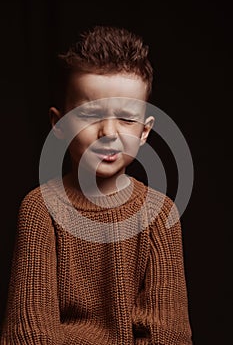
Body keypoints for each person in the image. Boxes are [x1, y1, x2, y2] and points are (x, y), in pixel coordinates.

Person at [0, 26, 192, 344]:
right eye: (90, 115)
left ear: (144, 133)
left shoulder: (159, 214)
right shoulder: (41, 208)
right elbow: (30, 329)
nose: (108, 132)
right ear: (58, 124)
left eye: (127, 120)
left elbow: (168, 331)